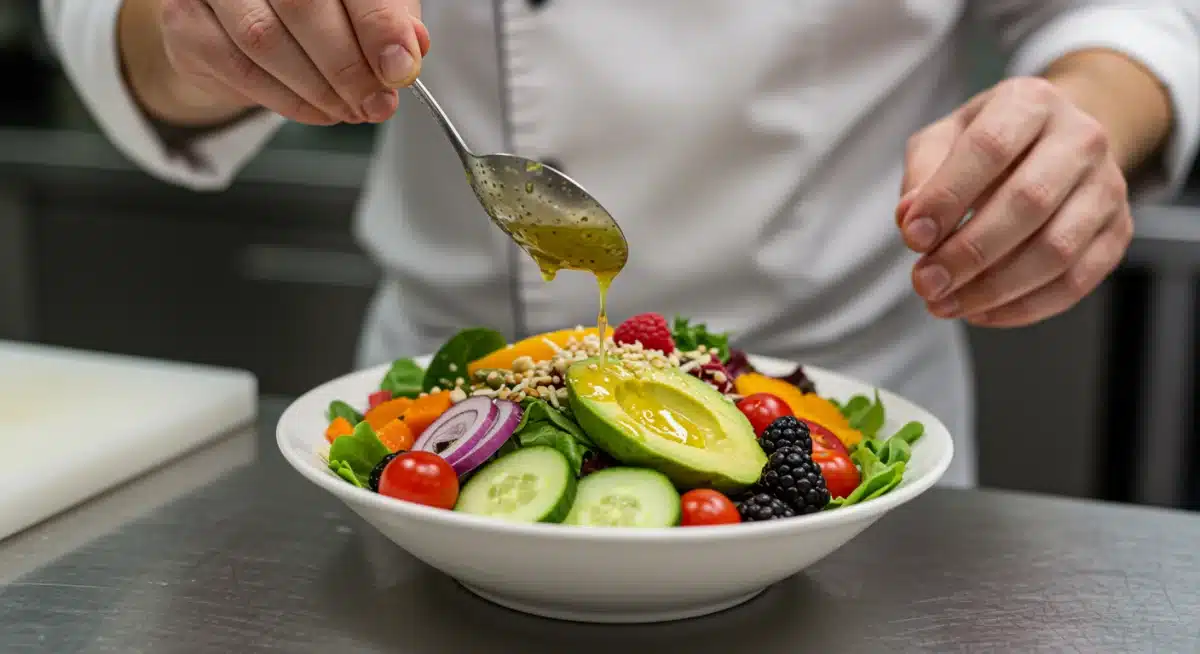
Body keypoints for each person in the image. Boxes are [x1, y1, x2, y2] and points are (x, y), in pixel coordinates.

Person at [42, 0, 1200, 488]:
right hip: (441, 431)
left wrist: (1077, 118)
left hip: (836, 418)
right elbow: (113, 23)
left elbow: (1133, 16)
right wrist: (203, 35)